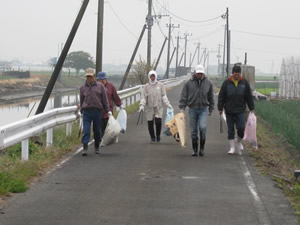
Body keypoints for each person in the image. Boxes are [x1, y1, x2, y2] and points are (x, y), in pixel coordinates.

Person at [218, 64, 255, 155]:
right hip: (229, 110)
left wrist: (251, 108)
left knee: (241, 128)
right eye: (235, 73)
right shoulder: (226, 83)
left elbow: (248, 96)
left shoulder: (244, 83)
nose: (237, 75)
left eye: (238, 74)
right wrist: (220, 108)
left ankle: (238, 141)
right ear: (232, 73)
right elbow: (221, 96)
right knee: (230, 129)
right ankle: (232, 148)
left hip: (240, 110)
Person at [179, 65, 214, 157]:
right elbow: (184, 96)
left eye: (201, 73)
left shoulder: (208, 83)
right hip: (192, 109)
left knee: (202, 127)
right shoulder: (188, 83)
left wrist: (211, 108)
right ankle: (195, 149)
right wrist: (182, 108)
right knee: (193, 130)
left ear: (203, 73)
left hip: (203, 109)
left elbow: (211, 97)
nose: (200, 75)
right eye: (198, 73)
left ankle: (202, 148)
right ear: (195, 73)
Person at [80, 68, 111, 156]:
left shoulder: (100, 86)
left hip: (97, 111)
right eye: (87, 77)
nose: (89, 78)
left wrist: (107, 110)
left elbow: (104, 99)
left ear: (94, 76)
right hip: (87, 111)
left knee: (97, 130)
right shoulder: (82, 88)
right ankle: (85, 148)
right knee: (86, 130)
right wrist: (81, 110)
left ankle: (96, 147)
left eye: (91, 76)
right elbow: (81, 101)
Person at [139, 70, 173, 143]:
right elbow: (144, 97)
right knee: (150, 123)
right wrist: (142, 105)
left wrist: (168, 104)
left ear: (156, 76)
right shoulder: (146, 86)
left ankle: (158, 135)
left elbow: (164, 96)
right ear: (149, 77)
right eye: (151, 76)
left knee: (158, 122)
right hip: (149, 107)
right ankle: (152, 137)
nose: (152, 78)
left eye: (153, 76)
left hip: (158, 107)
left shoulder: (160, 85)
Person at [96, 71, 123, 137]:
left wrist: (120, 104)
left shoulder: (111, 86)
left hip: (108, 111)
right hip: (98, 111)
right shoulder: (95, 87)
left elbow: (115, 97)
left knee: (108, 127)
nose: (102, 81)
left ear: (106, 79)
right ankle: (100, 139)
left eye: (104, 79)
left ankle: (107, 139)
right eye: (100, 79)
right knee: (99, 127)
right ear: (98, 80)